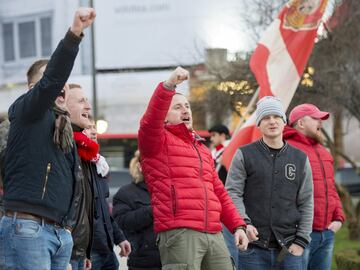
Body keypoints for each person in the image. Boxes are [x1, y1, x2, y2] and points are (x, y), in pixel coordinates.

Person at [0, 8, 95, 270]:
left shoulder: (63, 128)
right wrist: (74, 35)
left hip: (58, 233)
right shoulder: (27, 110)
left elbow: (74, 191)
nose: (62, 85)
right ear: (34, 89)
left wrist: (72, 243)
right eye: (55, 81)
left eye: (66, 83)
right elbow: (53, 78)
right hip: (28, 227)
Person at [138, 66, 249, 270]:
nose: (185, 110)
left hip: (213, 232)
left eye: (187, 106)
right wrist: (169, 85)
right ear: (164, 116)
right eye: (177, 107)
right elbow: (150, 121)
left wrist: (238, 226)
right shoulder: (155, 140)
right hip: (180, 232)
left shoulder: (202, 148)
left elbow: (219, 192)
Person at [226, 96, 314, 270]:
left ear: (284, 121)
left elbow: (307, 200)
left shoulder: (300, 158)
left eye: (276, 116)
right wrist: (244, 223)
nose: (272, 121)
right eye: (266, 117)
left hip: (290, 248)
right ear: (259, 123)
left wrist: (301, 241)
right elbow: (232, 193)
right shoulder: (244, 154)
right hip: (253, 249)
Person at [67, 85, 131, 270]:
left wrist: (119, 238)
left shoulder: (97, 164)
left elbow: (102, 210)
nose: (93, 131)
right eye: (81, 101)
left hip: (106, 249)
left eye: (94, 128)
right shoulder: (70, 153)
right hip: (86, 252)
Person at [284, 103, 345, 270]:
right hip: (299, 235)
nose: (321, 122)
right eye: (316, 118)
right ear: (300, 123)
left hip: (326, 233)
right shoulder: (286, 149)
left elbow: (331, 188)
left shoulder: (324, 151)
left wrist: (339, 218)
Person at [113, 150, 162, 270]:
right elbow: (121, 222)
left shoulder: (169, 189)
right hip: (142, 262)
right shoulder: (126, 193)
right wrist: (152, 210)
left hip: (172, 259)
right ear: (140, 166)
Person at [208, 124, 238, 267]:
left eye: (214, 135)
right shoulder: (213, 152)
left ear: (222, 136)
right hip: (214, 201)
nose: (212, 138)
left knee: (230, 242)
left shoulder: (230, 150)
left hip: (227, 200)